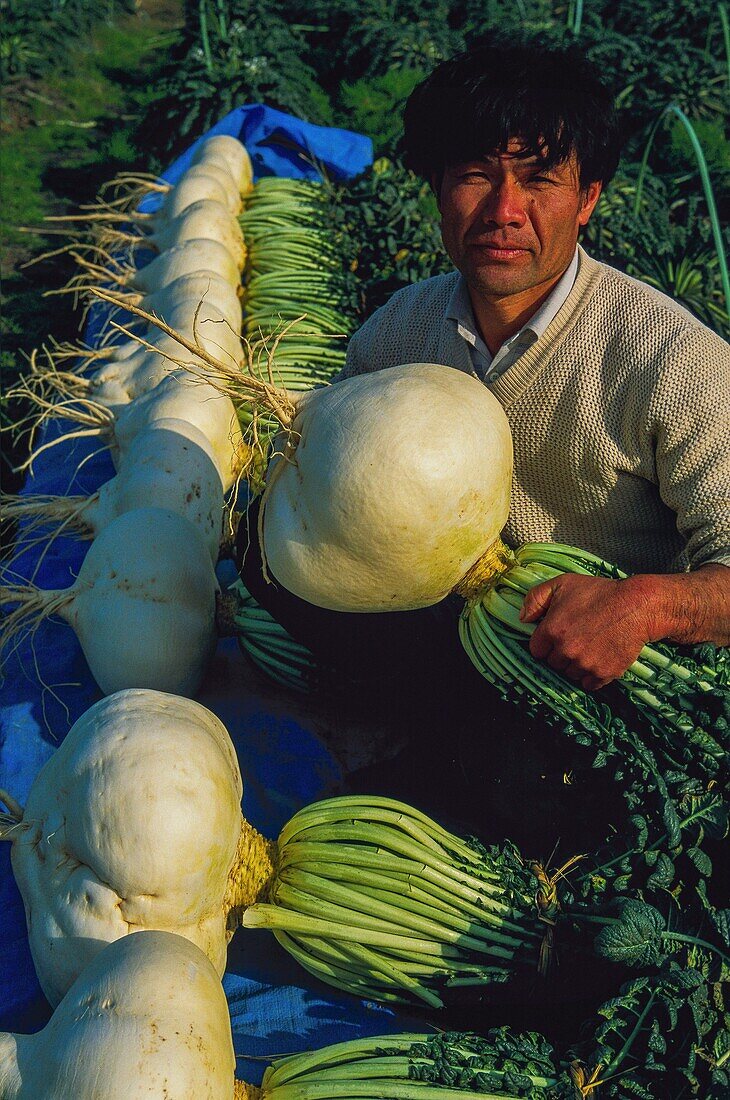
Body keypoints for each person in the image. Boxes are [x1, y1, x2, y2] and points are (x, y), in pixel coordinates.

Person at [339, 41, 730, 691]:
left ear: (587, 200)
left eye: (540, 179)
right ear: (437, 189)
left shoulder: (675, 363)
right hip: (429, 672)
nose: (503, 211)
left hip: (599, 698)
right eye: (474, 174)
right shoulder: (393, 339)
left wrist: (646, 606)